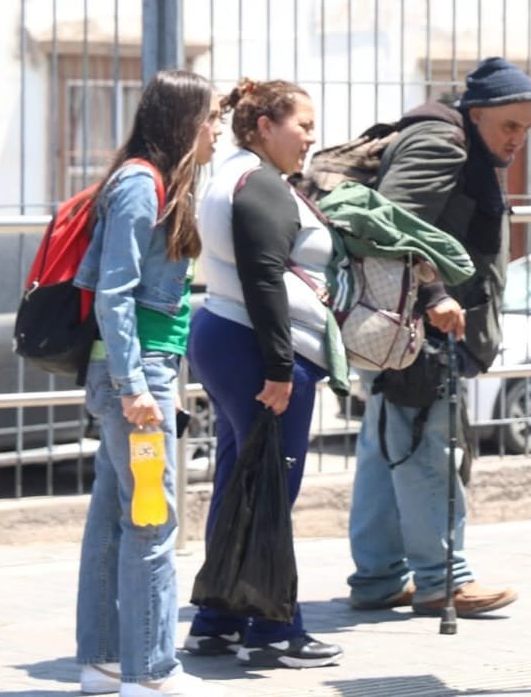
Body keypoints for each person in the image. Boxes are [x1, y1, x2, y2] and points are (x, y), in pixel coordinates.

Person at [345, 57, 531, 618]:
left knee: (389, 448)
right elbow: (385, 224)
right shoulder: (443, 144)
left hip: (402, 326)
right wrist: (432, 296)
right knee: (428, 448)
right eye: (509, 126)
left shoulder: (459, 143)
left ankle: (379, 577)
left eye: (526, 128)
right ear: (475, 114)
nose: (518, 139)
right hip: (416, 328)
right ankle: (442, 580)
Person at [183, 79, 343, 669]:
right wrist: (280, 369)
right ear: (264, 127)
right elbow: (265, 279)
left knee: (241, 483)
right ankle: (275, 628)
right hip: (258, 350)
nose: (311, 137)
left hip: (227, 338)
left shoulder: (230, 175)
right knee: (272, 491)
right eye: (302, 124)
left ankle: (217, 621)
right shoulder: (260, 184)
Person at [74, 70, 220, 697]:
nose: (218, 129)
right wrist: (134, 387)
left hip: (139, 371)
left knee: (115, 517)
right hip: (137, 375)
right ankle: (151, 672)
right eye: (211, 117)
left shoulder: (156, 182)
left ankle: (105, 662)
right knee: (152, 524)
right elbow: (115, 294)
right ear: (185, 123)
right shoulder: (141, 184)